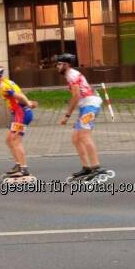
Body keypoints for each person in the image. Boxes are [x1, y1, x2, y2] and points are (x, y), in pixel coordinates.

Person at [56, 53, 107, 181]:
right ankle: (86, 167)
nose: (57, 66)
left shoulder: (72, 75)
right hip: (86, 107)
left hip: (90, 106)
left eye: (59, 64)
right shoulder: (70, 74)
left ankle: (97, 167)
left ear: (66, 65)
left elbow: (76, 96)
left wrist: (67, 116)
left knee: (84, 136)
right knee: (76, 138)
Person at [0, 65, 37, 179]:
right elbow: (20, 94)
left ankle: (24, 169)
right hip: (18, 114)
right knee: (9, 140)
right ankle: (18, 165)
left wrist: (28, 103)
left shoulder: (3, 87)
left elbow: (18, 96)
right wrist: (28, 103)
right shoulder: (7, 82)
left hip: (21, 115)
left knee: (15, 141)